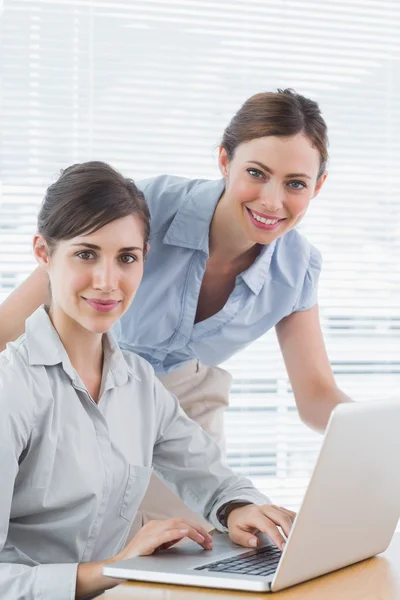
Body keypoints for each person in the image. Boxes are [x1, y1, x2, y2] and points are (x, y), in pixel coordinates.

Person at [0, 89, 351, 533]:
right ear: (224, 161)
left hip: (179, 411)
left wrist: (377, 439)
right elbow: (19, 319)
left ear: (317, 186)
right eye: (256, 173)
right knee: (74, 543)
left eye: (295, 183)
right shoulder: (144, 208)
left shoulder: (297, 268)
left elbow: (316, 396)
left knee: (194, 550)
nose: (271, 201)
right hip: (80, 393)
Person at [0, 162, 296, 600]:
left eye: (126, 258)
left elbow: (213, 480)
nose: (107, 281)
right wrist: (112, 570)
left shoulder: (138, 382)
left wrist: (239, 509)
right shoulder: (12, 390)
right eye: (86, 254)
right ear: (44, 253)